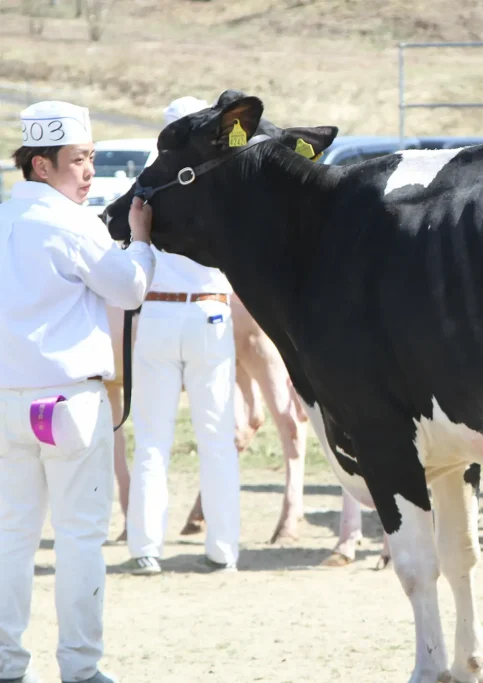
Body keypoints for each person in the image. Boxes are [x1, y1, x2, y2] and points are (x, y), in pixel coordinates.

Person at [0, 100, 155, 683]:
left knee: (12, 538)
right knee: (80, 537)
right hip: (67, 403)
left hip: (8, 399)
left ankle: (7, 664)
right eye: (78, 161)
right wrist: (139, 241)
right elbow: (129, 289)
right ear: (43, 166)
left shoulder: (4, 220)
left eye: (89, 159)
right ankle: (81, 668)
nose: (88, 172)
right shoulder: (73, 224)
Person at [125, 96, 241, 576]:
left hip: (157, 311)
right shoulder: (224, 178)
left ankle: (145, 547)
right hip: (210, 311)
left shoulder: (148, 182)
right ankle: (223, 547)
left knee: (153, 438)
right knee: (216, 437)